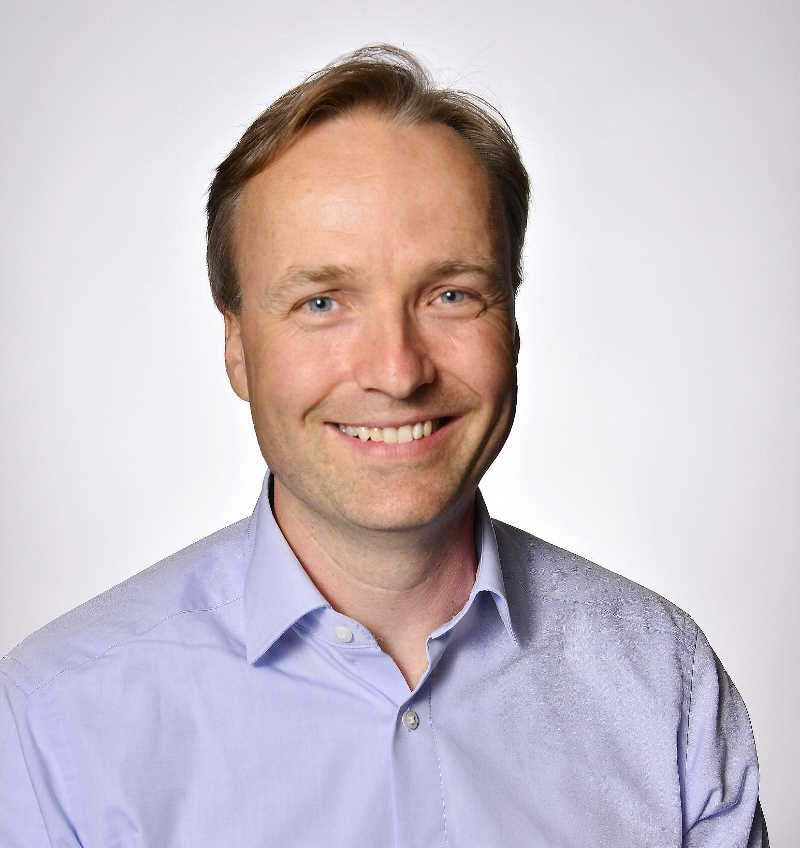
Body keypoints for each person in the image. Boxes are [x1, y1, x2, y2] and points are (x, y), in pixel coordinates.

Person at [0, 44, 768, 847]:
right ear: (236, 347)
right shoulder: (53, 727)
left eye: (451, 295)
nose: (398, 373)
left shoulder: (663, 686)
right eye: (323, 302)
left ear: (511, 322)